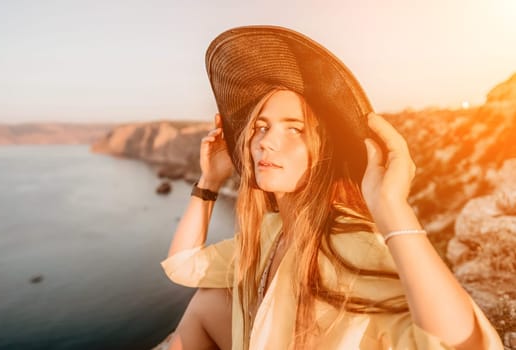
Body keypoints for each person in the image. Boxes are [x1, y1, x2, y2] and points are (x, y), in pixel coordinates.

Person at [162, 26, 503, 349]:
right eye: (261, 127)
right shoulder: (272, 231)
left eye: (294, 129)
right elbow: (183, 265)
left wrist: (391, 208)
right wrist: (209, 182)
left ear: (325, 149)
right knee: (207, 301)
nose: (265, 143)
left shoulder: (348, 242)